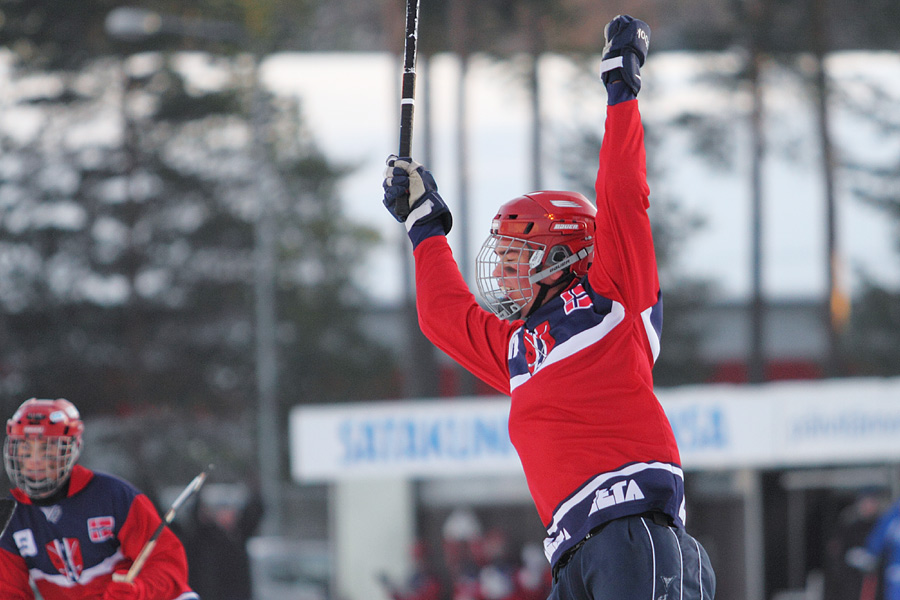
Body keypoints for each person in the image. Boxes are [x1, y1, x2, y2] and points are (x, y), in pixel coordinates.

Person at [382, 14, 715, 600]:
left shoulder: (615, 297)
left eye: (517, 254)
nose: (503, 270)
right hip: (572, 553)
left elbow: (622, 198)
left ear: (562, 255)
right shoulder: (517, 348)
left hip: (632, 531)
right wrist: (423, 227)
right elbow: (443, 317)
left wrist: (620, 89)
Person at [0, 397, 198, 600]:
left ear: (71, 449)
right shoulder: (10, 519)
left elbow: (167, 562)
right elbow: (8, 592)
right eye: (25, 447)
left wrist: (137, 591)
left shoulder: (114, 496)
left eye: (47, 448)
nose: (35, 460)